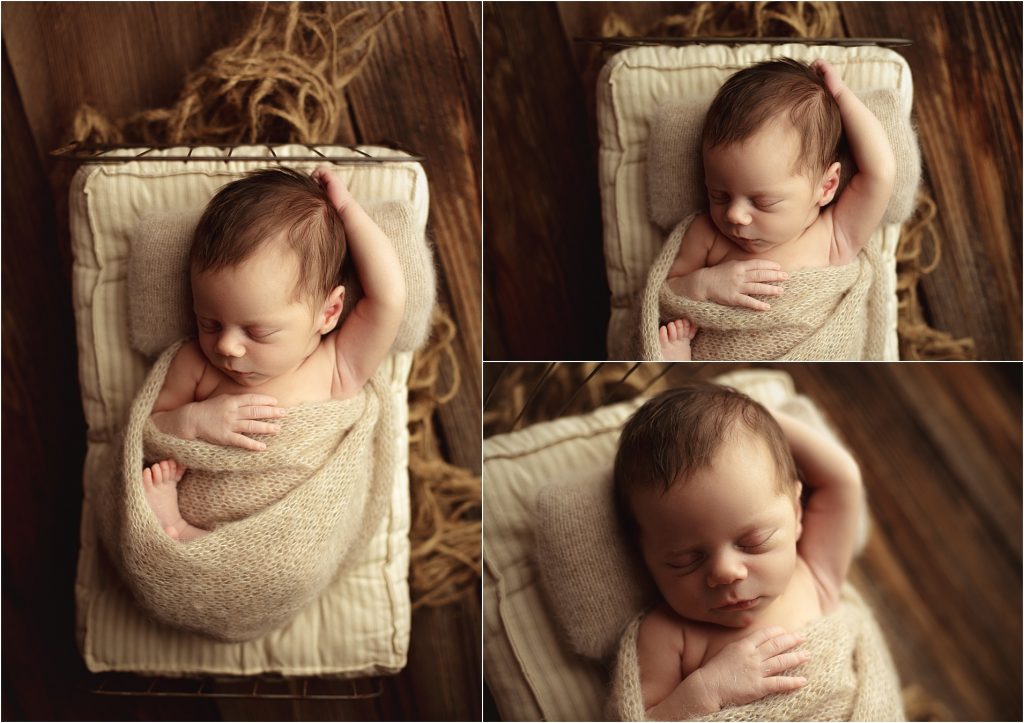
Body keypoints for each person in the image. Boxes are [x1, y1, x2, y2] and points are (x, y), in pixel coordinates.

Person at [140, 166, 406, 542]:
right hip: (205, 513)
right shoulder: (195, 365)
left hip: (289, 533)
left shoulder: (336, 365)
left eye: (257, 331)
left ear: (328, 313)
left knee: (294, 547)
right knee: (150, 497)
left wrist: (347, 210)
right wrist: (195, 422)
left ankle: (193, 539)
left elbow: (389, 299)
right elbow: (152, 431)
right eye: (209, 323)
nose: (226, 347)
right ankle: (184, 534)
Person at [613, 383, 863, 718]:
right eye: (685, 561)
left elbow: (842, 477)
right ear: (644, 555)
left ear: (798, 514)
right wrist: (707, 689)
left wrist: (760, 419)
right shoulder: (669, 635)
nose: (726, 572)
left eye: (753, 542)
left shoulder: (813, 574)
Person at [659, 58, 896, 360]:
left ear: (827, 186)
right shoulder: (707, 235)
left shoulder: (836, 234)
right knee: (666, 346)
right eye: (718, 195)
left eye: (762, 202)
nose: (734, 215)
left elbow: (881, 172)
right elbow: (667, 296)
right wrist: (704, 285)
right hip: (715, 354)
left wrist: (841, 95)